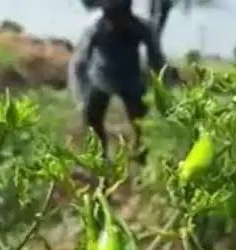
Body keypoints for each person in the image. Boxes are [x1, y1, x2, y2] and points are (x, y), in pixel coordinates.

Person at [69, 0, 168, 162]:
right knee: (92, 118)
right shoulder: (96, 27)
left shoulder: (140, 27)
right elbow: (80, 61)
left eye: (120, 14)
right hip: (100, 78)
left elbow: (155, 58)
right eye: (111, 15)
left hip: (130, 79)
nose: (115, 22)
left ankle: (138, 150)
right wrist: (80, 94)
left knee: (139, 120)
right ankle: (101, 155)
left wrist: (158, 85)